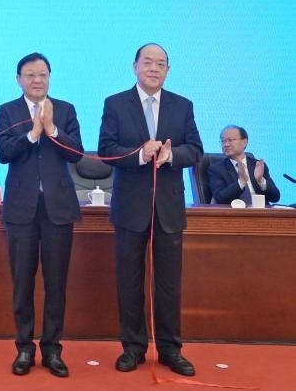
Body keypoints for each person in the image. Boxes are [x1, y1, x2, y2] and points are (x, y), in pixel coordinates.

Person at [98, 43, 202, 377]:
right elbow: (106, 150)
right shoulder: (115, 104)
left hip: (168, 208)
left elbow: (195, 150)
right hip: (130, 207)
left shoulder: (182, 106)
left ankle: (171, 349)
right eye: (148, 62)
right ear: (135, 66)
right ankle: (133, 347)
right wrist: (140, 155)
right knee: (129, 281)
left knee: (169, 283)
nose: (154, 68)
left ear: (168, 70)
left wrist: (172, 156)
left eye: (160, 64)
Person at [0, 53, 83, 378]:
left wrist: (52, 129)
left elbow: (77, 154)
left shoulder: (66, 110)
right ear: (19, 79)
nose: (37, 80)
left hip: (58, 208)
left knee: (56, 283)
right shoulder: (7, 111)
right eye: (30, 74)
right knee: (23, 282)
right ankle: (24, 348)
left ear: (49, 78)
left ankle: (52, 349)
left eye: (42, 74)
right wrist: (32, 134)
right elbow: (2, 153)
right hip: (21, 209)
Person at [209, 126, 281, 206]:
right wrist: (241, 182)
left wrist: (261, 181)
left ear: (244, 142)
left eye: (230, 140)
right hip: (235, 212)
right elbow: (220, 198)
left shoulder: (257, 166)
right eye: (223, 141)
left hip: (261, 212)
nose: (226, 144)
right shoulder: (217, 169)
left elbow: (275, 197)